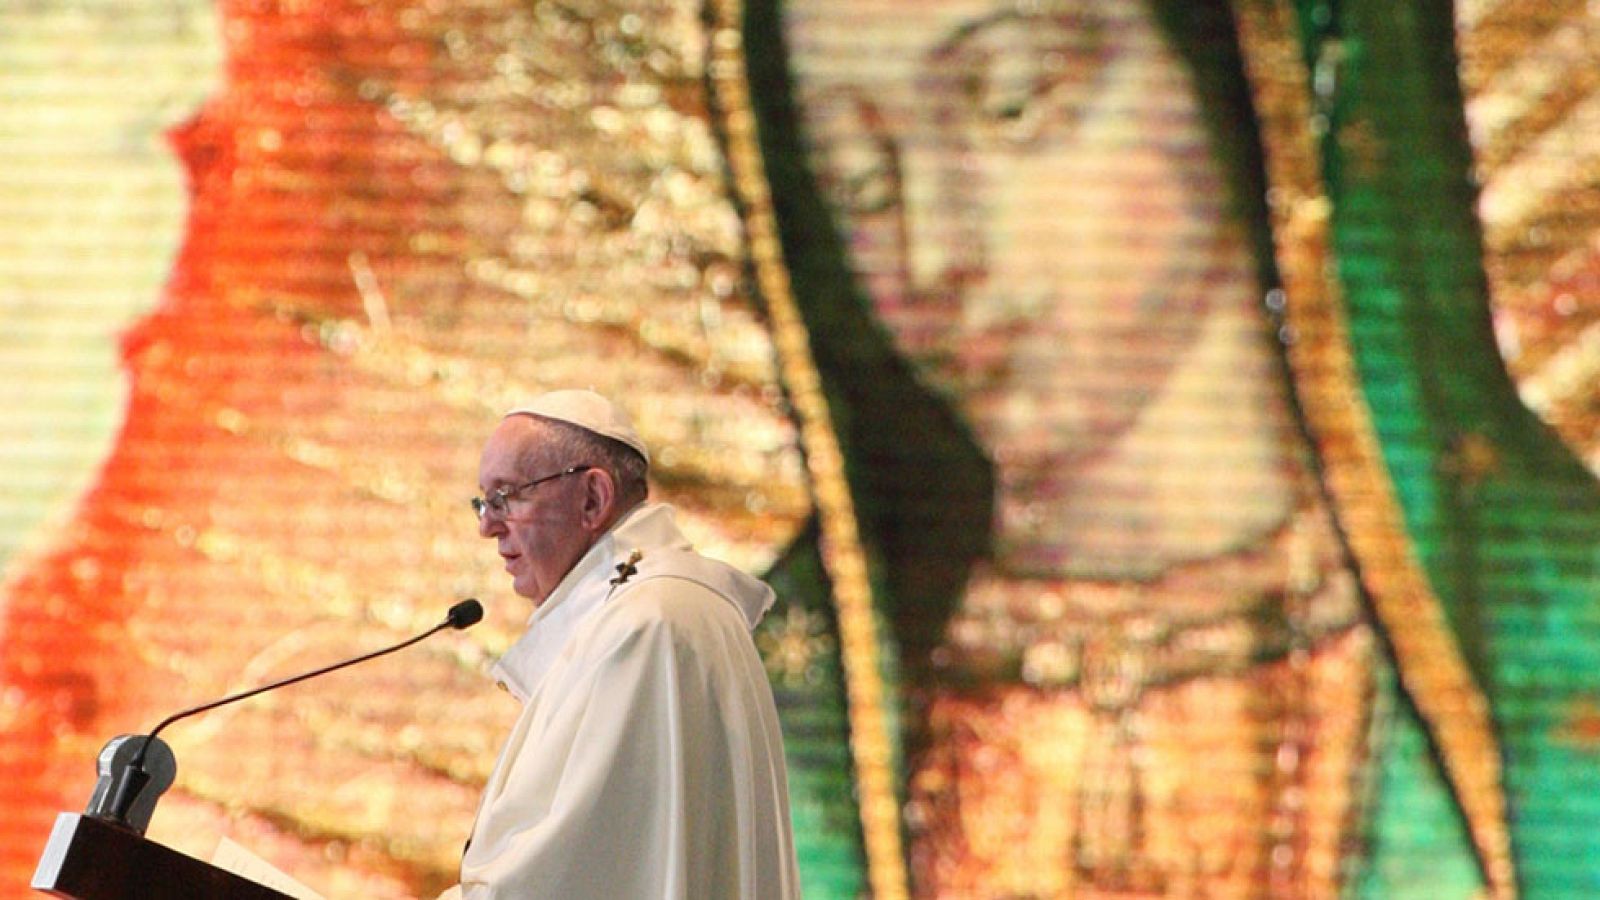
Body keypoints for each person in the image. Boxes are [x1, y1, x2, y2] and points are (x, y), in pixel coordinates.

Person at [438, 389, 801, 899]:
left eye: (507, 497)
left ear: (592, 499)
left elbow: (564, 876)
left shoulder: (645, 627)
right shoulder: (672, 608)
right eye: (484, 500)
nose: (487, 525)